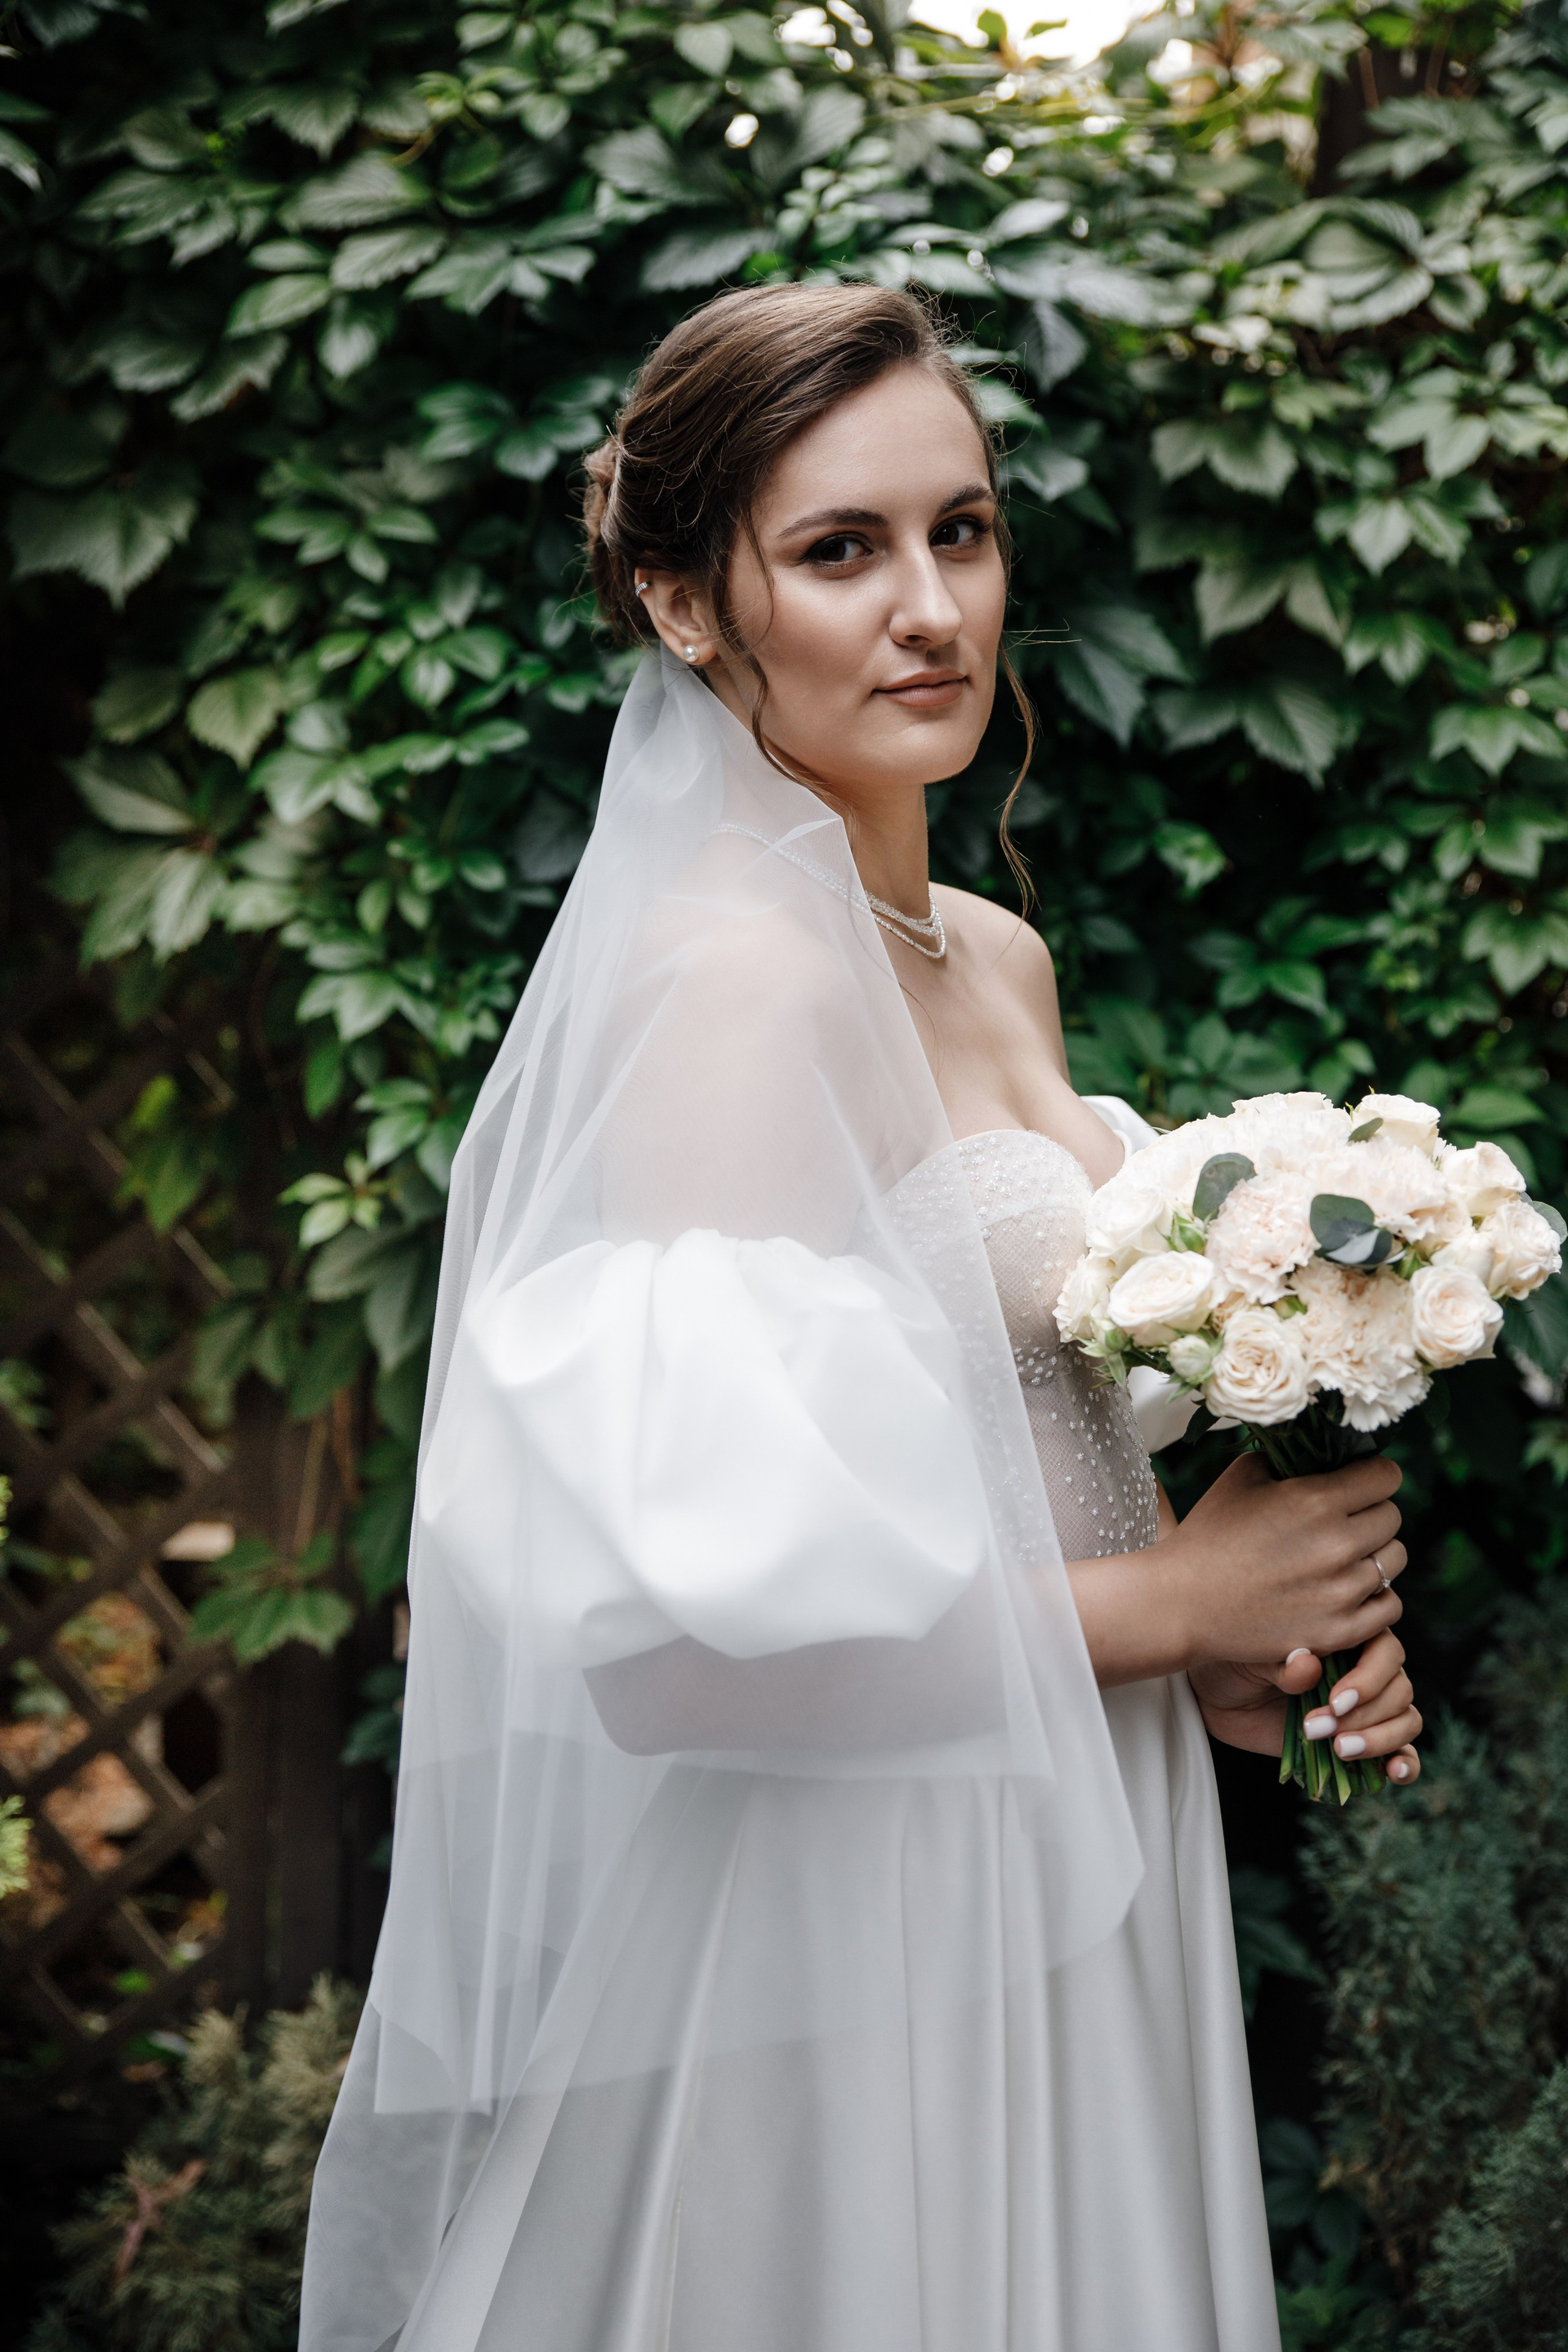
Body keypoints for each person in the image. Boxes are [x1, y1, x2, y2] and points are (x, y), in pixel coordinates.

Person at [300, 283, 1422, 2352]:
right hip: (862, 1927)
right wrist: (1172, 1602)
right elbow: (677, 1666)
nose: (931, 609)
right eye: (840, 550)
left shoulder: (989, 953)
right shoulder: (740, 984)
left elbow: (1007, 1471)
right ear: (682, 604)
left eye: (961, 531)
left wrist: (1238, 1642)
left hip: (1081, 1831)